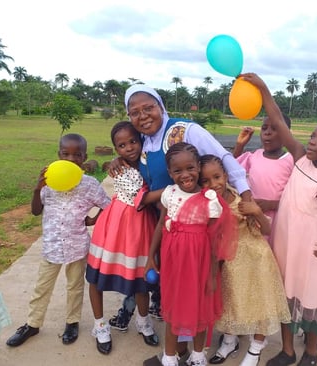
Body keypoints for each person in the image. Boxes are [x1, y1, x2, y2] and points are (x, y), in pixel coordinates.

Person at [108, 84, 252, 366]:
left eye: (148, 107)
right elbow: (133, 157)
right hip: (167, 225)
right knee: (175, 291)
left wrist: (247, 197)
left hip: (198, 227)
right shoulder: (143, 141)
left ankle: (196, 350)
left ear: (161, 105)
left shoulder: (185, 131)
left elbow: (223, 159)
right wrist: (119, 159)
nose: (143, 115)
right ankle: (178, 352)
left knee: (199, 290)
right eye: (134, 112)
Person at [237, 73, 317, 366]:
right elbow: (275, 117)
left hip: (313, 247)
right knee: (285, 294)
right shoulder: (299, 156)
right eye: (312, 136)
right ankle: (287, 350)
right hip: (284, 239)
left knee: (311, 300)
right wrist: (263, 90)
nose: (312, 142)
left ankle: (311, 351)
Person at [6, 134, 111, 348]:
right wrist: (37, 188)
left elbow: (107, 204)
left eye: (77, 155)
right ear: (58, 155)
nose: (71, 159)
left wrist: (93, 219)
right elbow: (36, 212)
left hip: (77, 246)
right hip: (51, 246)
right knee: (42, 287)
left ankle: (72, 322)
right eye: (66, 154)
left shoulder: (89, 184)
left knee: (75, 286)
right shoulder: (48, 181)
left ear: (85, 157)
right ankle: (32, 324)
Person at [144, 142, 237, 366]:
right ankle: (170, 357)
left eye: (190, 168)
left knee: (200, 310)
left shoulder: (210, 200)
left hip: (200, 264)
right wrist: (150, 258)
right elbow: (160, 225)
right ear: (170, 173)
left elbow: (215, 241)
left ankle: (197, 356)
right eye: (178, 171)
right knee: (172, 307)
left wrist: (213, 275)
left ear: (198, 167)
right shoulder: (169, 193)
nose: (185, 175)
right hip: (173, 261)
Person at [199, 154, 290, 366]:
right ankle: (230, 341)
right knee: (231, 302)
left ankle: (256, 349)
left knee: (260, 304)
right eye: (205, 181)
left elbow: (266, 229)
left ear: (226, 175)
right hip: (229, 264)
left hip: (256, 260)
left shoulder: (241, 199)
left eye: (217, 176)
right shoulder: (205, 203)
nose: (213, 184)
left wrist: (257, 212)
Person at [85, 122, 161, 355]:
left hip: (141, 228)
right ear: (116, 149)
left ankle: (143, 321)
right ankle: (100, 326)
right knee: (97, 278)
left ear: (141, 141)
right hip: (116, 227)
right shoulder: (119, 169)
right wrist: (171, 191)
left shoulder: (149, 162)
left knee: (140, 279)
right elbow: (142, 198)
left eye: (133, 142)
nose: (129, 148)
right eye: (122, 145)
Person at [232, 114, 293, 247]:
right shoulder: (254, 156)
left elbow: (297, 196)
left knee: (275, 251)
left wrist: (271, 204)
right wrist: (240, 145)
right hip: (253, 216)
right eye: (264, 128)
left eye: (274, 129)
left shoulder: (291, 161)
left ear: (287, 134)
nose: (268, 132)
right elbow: (233, 168)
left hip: (279, 217)